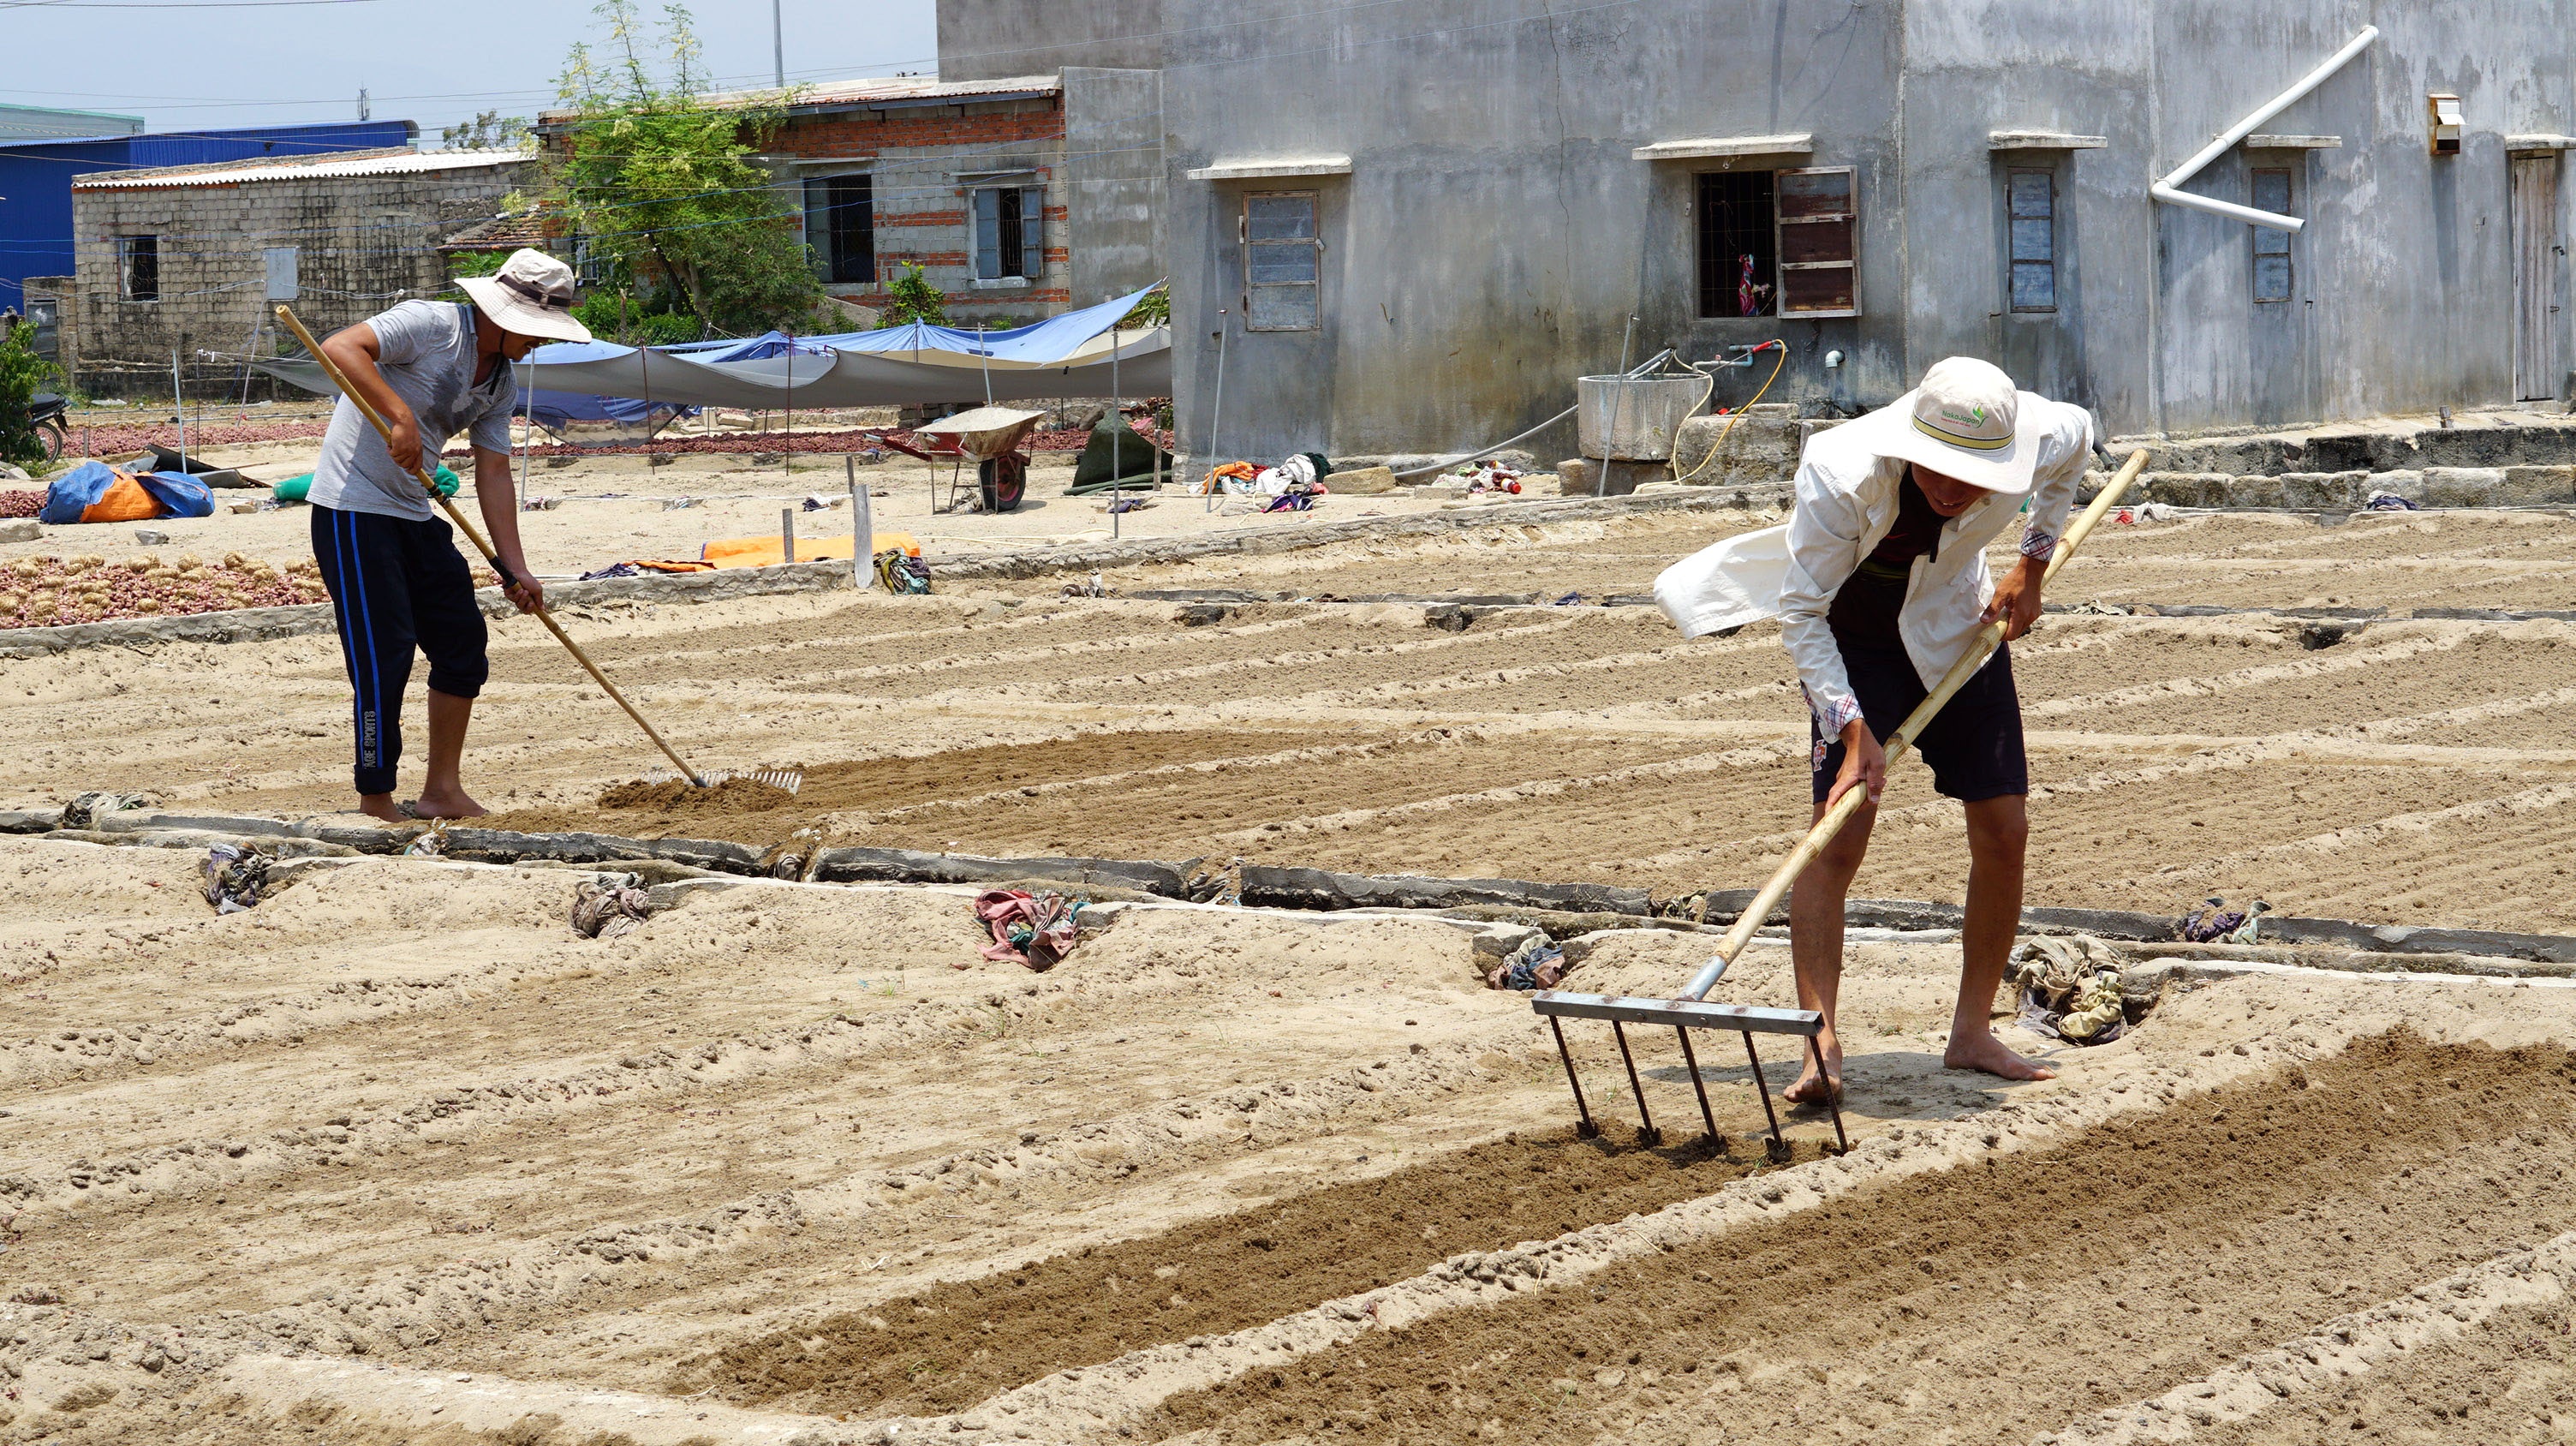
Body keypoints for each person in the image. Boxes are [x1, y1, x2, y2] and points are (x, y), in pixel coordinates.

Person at [1654, 356, 2092, 1102]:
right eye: (1936, 470)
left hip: (1957, 628)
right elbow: (1802, 613)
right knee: (1836, 835)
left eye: (1970, 476)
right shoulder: (1839, 469)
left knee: (2004, 827)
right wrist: (1852, 729)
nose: (1951, 491)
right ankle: (1818, 1042)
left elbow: (2079, 448)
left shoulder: (2043, 429)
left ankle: (1972, 1032)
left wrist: (2034, 566)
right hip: (1852, 644)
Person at [307, 248, 590, 822]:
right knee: (383, 654)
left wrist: (515, 568)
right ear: (503, 313)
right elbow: (340, 348)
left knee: (462, 647)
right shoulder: (432, 325)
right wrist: (398, 416)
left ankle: (442, 790)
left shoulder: (502, 383)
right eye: (535, 330)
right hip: (352, 510)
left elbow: (493, 471)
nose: (540, 341)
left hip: (413, 512)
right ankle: (376, 797)